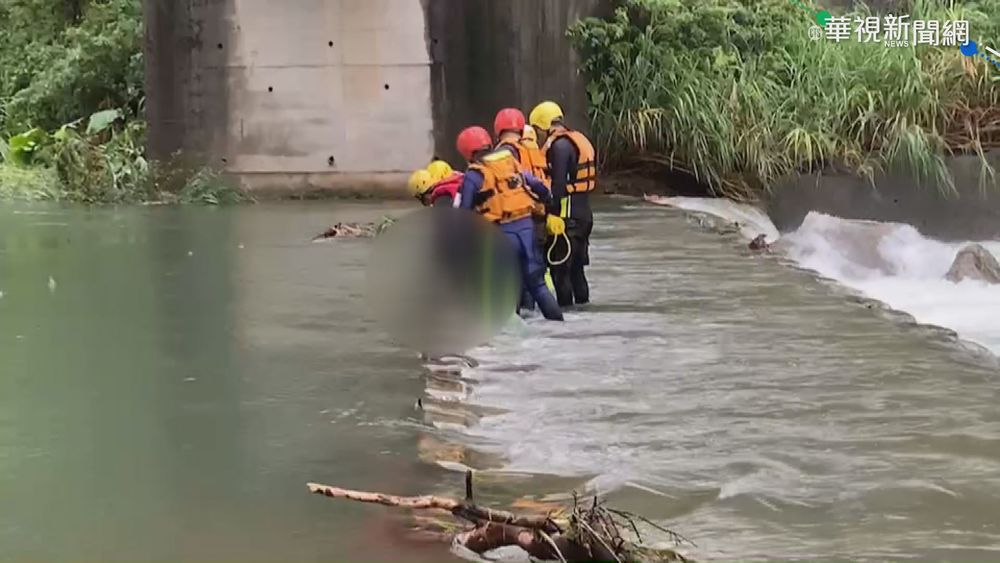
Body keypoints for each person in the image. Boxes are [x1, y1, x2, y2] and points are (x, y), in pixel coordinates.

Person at [453, 126, 563, 322]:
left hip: (500, 235)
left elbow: (464, 214)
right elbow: (537, 185)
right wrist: (549, 203)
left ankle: (512, 333)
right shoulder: (509, 161)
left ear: (467, 152)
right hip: (526, 228)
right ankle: (559, 327)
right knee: (538, 285)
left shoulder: (474, 175)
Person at [529, 100, 597, 307]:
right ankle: (584, 313)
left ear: (544, 126)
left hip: (567, 219)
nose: (538, 136)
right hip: (584, 216)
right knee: (577, 271)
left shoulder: (559, 147)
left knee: (560, 273)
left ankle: (565, 318)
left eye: (537, 130)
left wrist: (550, 212)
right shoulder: (577, 140)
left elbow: (558, 185)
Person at [493, 108, 556, 313]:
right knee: (534, 279)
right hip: (537, 220)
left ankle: (522, 318)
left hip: (515, 222)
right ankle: (548, 320)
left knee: (515, 279)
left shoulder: (504, 154)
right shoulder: (532, 150)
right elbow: (542, 187)